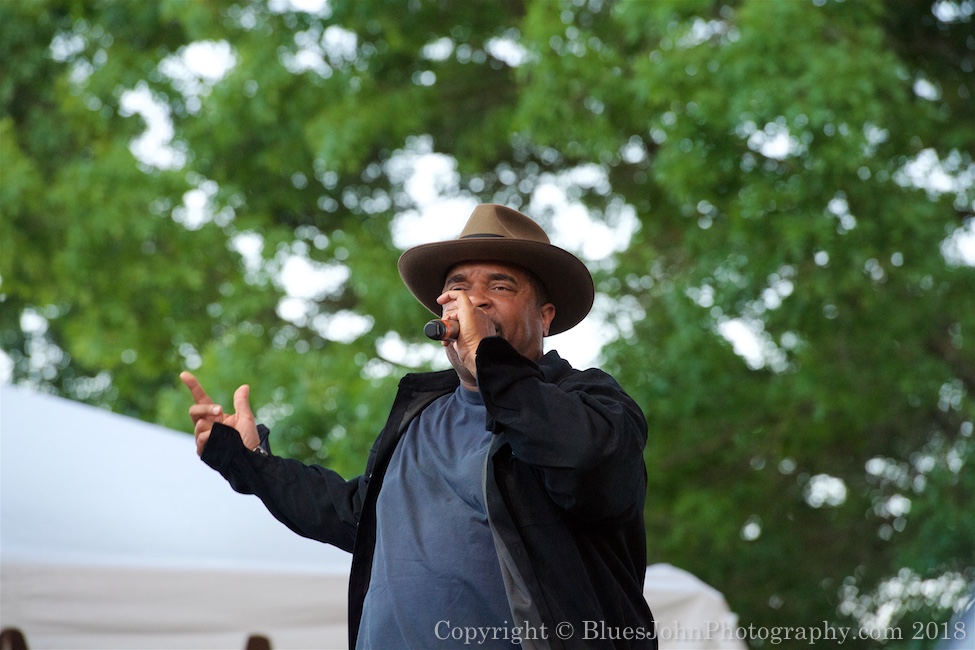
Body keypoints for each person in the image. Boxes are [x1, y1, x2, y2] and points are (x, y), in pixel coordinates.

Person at [181, 204, 656, 649]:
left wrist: (490, 359)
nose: (475, 300)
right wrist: (250, 460)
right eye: (459, 287)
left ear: (545, 317)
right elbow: (351, 515)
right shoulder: (418, 415)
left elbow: (587, 463)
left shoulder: (589, 402)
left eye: (500, 287)